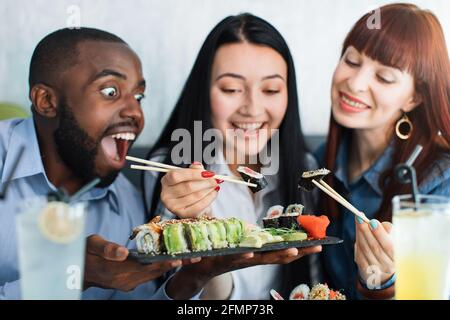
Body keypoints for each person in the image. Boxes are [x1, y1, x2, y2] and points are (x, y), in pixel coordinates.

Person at [0, 27, 200, 299]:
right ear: (46, 101)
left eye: (138, 96)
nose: (135, 112)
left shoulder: (127, 202)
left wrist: (192, 279)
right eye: (110, 91)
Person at [143, 13, 322, 300]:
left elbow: (312, 281)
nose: (252, 108)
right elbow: (174, 291)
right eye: (232, 89)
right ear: (204, 90)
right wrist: (203, 237)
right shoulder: (170, 171)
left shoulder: (305, 169)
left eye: (271, 89)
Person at [315, 3, 450, 299]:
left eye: (384, 77)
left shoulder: (441, 180)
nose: (355, 83)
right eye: (351, 60)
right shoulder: (319, 163)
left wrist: (384, 284)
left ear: (414, 97)